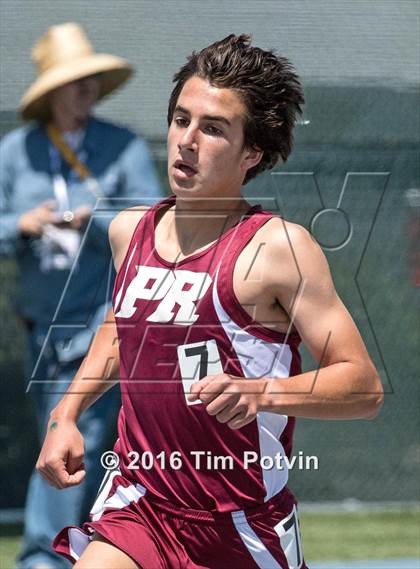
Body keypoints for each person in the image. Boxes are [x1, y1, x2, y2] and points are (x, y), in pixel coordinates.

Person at [36, 34, 384, 569]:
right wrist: (68, 410)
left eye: (213, 128)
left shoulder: (278, 249)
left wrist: (263, 392)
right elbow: (122, 326)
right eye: (180, 119)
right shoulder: (130, 231)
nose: (187, 140)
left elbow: (362, 385)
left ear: (252, 153)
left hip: (239, 524)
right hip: (140, 503)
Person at [0, 22, 161, 569]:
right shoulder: (15, 153)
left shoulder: (123, 146)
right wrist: (20, 224)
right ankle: (91, 548)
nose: (85, 89)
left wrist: (95, 219)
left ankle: (45, 558)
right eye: (74, 81)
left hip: (104, 321)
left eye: (91, 79)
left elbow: (152, 221)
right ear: (51, 92)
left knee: (77, 434)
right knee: (78, 440)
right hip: (40, 328)